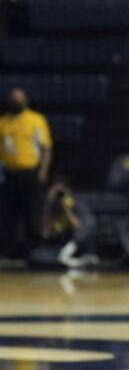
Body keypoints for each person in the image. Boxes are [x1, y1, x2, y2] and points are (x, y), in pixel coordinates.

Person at [0, 87, 53, 259]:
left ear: (26, 101)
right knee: (9, 215)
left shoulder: (35, 120)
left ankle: (35, 252)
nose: (17, 102)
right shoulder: (3, 122)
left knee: (32, 213)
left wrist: (43, 170)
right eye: (14, 99)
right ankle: (9, 252)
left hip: (30, 174)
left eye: (20, 99)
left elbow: (46, 148)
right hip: (9, 174)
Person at [32, 175, 99, 269]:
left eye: (61, 192)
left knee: (89, 222)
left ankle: (69, 259)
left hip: (75, 246)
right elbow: (45, 234)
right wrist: (48, 204)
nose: (59, 196)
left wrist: (65, 207)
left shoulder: (75, 204)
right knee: (36, 255)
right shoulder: (50, 208)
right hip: (59, 246)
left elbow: (79, 228)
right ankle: (72, 262)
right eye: (56, 192)